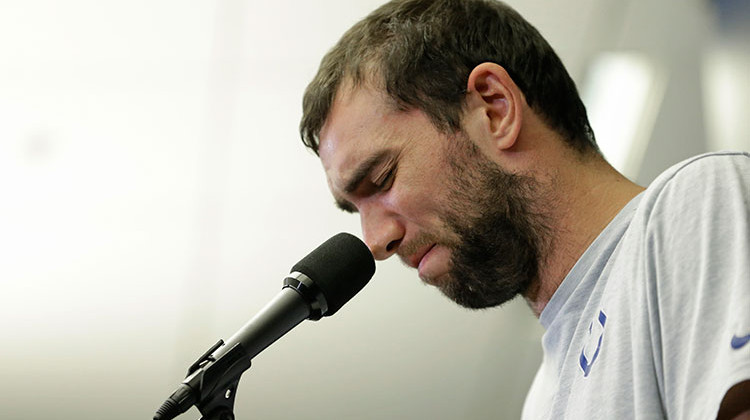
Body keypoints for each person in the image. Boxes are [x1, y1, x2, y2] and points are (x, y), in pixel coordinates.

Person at [298, 0, 750, 418]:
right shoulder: (542, 401)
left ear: (494, 109)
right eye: (353, 208)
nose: (375, 241)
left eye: (382, 179)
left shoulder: (692, 205)